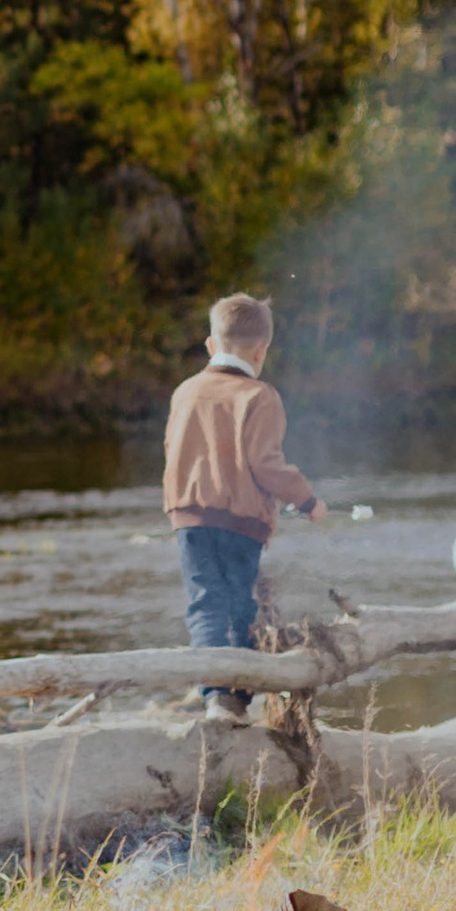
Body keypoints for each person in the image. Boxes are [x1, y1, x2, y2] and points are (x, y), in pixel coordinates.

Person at [163, 292, 326, 722]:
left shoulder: (185, 391)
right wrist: (307, 500)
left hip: (189, 517)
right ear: (262, 351)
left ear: (211, 346)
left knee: (203, 604)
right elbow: (266, 464)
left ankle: (215, 695)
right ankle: (234, 699)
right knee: (239, 605)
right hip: (240, 522)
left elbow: (172, 451)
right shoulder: (260, 396)